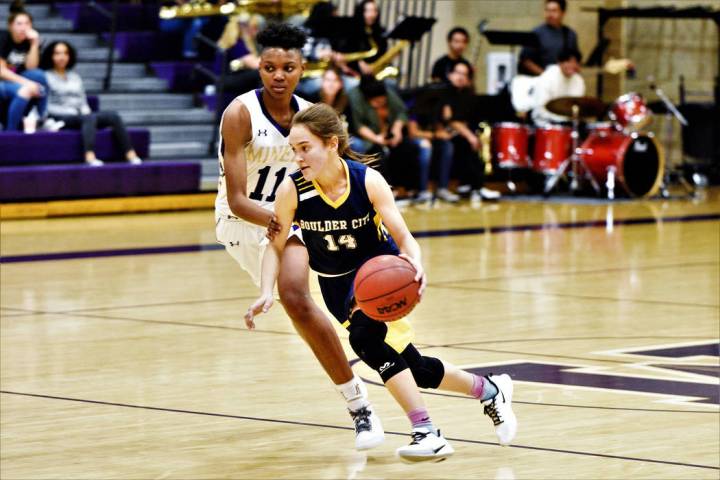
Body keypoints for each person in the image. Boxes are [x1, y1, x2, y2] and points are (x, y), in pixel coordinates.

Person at [245, 103, 517, 461]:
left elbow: (404, 237)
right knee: (414, 368)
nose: (298, 158)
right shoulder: (292, 191)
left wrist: (415, 262)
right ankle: (490, 390)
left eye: (305, 148)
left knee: (365, 340)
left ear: (330, 144)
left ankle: (426, 432)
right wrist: (266, 291)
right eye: (293, 150)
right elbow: (275, 246)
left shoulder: (367, 181)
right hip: (335, 287)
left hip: (377, 276)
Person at [213, 22, 384, 450]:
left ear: (301, 67)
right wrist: (285, 219)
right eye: (269, 67)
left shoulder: (310, 116)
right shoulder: (239, 114)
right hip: (246, 222)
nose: (278, 76)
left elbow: (337, 173)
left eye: (287, 67)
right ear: (260, 68)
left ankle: (370, 346)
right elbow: (237, 200)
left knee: (310, 295)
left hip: (295, 217)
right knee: (295, 297)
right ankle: (359, 403)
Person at [41, 41, 142, 166]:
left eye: (65, 53)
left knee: (113, 116)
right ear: (51, 56)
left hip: (79, 115)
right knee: (88, 118)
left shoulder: (75, 77)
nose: (62, 57)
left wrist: (85, 111)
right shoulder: (45, 76)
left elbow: (82, 99)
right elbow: (45, 104)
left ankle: (130, 154)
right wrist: (74, 113)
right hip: (59, 115)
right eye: (57, 53)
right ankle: (89, 155)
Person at [347, 75, 423, 203]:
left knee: (408, 147)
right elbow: (358, 126)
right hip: (367, 136)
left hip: (388, 132)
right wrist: (376, 138)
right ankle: (388, 191)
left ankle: (407, 189)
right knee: (376, 153)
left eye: (383, 102)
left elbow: (401, 112)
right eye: (376, 102)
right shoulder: (354, 97)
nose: (380, 105)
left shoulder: (387, 92)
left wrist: (397, 129)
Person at [442, 62, 501, 202]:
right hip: (441, 133)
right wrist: (470, 136)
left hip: (456, 133)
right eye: (458, 73)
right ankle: (476, 186)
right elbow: (449, 119)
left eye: (465, 74)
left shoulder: (465, 95)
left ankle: (469, 184)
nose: (460, 77)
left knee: (472, 143)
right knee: (466, 142)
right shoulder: (444, 92)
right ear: (450, 74)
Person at [0, 9, 59, 132]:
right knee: (26, 90)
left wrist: (34, 44)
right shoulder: (3, 37)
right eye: (19, 24)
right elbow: (2, 71)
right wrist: (27, 83)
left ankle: (42, 118)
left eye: (27, 24)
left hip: (14, 78)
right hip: (2, 80)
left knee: (39, 75)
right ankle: (10, 131)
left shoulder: (28, 42)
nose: (23, 27)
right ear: (11, 26)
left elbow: (31, 67)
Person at [519, 0, 581, 76]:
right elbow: (526, 61)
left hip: (563, 81)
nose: (549, 14)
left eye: (554, 11)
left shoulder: (570, 34)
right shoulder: (535, 33)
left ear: (563, 13)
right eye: (547, 10)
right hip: (540, 80)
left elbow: (574, 60)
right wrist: (546, 76)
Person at [531, 48, 585, 126]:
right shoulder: (548, 77)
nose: (572, 65)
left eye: (575, 62)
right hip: (545, 122)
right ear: (560, 63)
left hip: (567, 122)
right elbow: (541, 107)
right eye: (568, 61)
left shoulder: (579, 80)